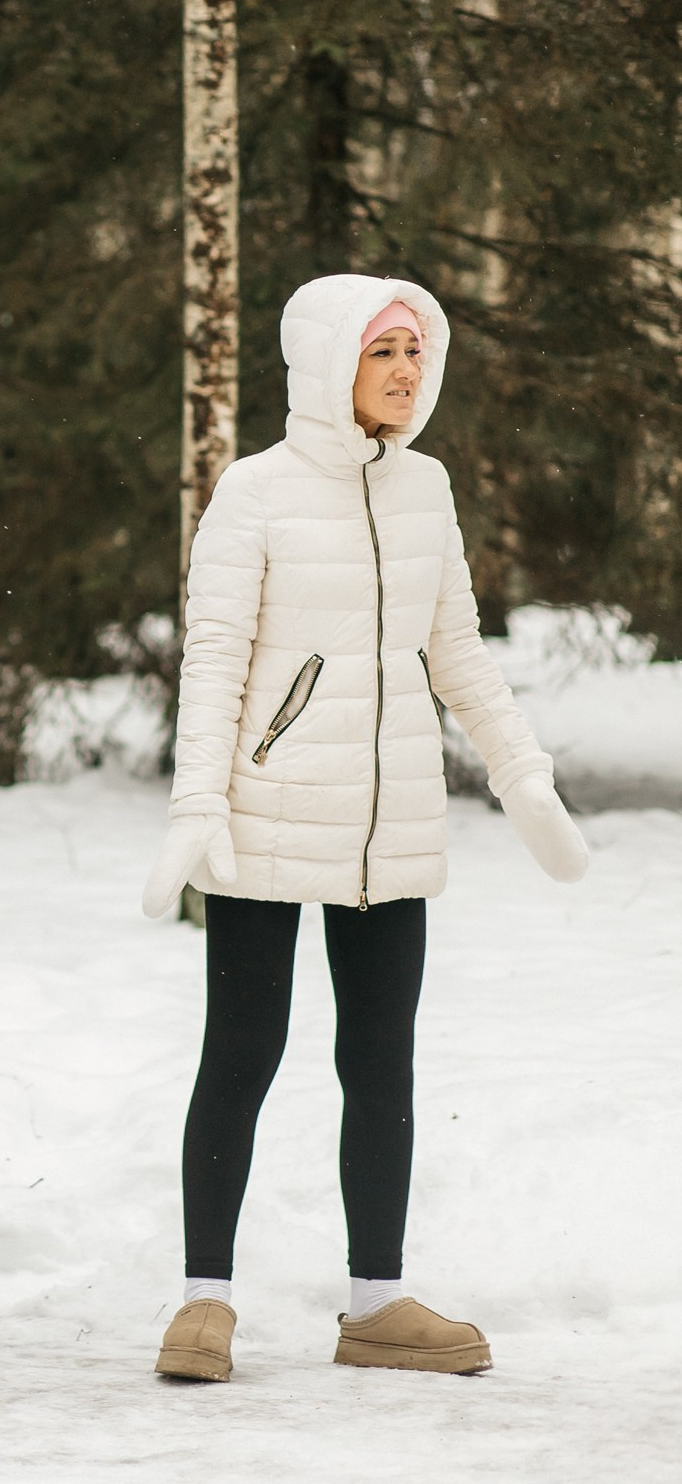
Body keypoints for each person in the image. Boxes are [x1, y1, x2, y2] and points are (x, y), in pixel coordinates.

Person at [144, 276, 591, 1383]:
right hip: (268, 812)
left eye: (415, 349)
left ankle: (377, 1303)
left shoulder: (425, 489)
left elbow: (460, 653)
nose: (404, 367)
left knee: (378, 1060)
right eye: (382, 347)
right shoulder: (253, 493)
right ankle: (205, 1300)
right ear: (326, 358)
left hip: (391, 823)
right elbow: (214, 660)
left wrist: (522, 770)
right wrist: (199, 798)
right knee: (242, 1053)